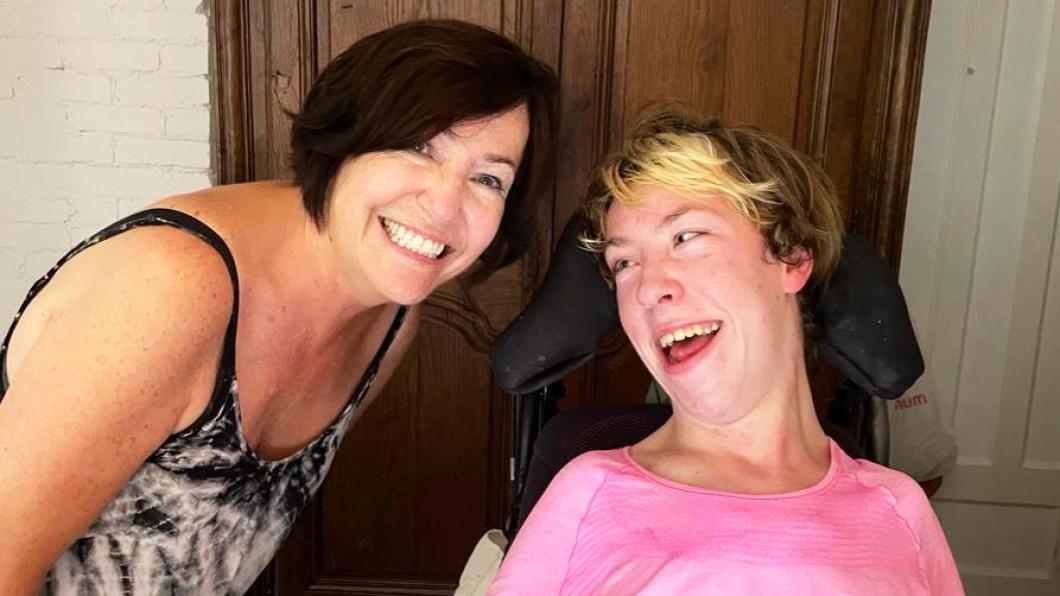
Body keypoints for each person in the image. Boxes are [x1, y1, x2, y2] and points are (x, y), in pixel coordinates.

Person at [0, 19, 557, 595]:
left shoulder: (390, 321)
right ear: (344, 138)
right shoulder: (170, 289)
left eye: (489, 179)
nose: (444, 205)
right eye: (417, 147)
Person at [489, 106, 963, 595]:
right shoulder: (586, 493)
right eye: (625, 262)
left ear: (792, 258)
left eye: (686, 236)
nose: (649, 287)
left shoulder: (898, 506)